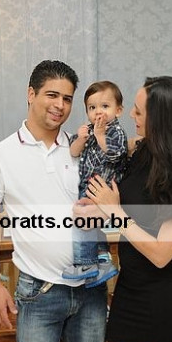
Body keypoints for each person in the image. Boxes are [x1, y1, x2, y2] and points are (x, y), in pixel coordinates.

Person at [76, 76, 172, 342]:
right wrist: (96, 210)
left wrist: (114, 212)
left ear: (162, 120)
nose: (130, 114)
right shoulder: (139, 150)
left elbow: (161, 254)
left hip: (169, 296)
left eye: (139, 112)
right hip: (130, 288)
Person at [0, 60, 107, 342]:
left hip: (91, 290)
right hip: (39, 293)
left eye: (67, 99)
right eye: (52, 95)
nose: (60, 105)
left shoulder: (84, 149)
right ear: (31, 94)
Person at [62, 81, 127, 287]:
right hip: (87, 186)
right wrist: (81, 139)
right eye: (92, 107)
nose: (98, 112)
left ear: (118, 110)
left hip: (103, 188)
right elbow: (73, 152)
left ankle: (85, 263)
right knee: (94, 226)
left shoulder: (116, 131)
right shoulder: (87, 131)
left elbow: (116, 154)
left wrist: (99, 136)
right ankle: (103, 259)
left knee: (82, 223)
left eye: (105, 106)